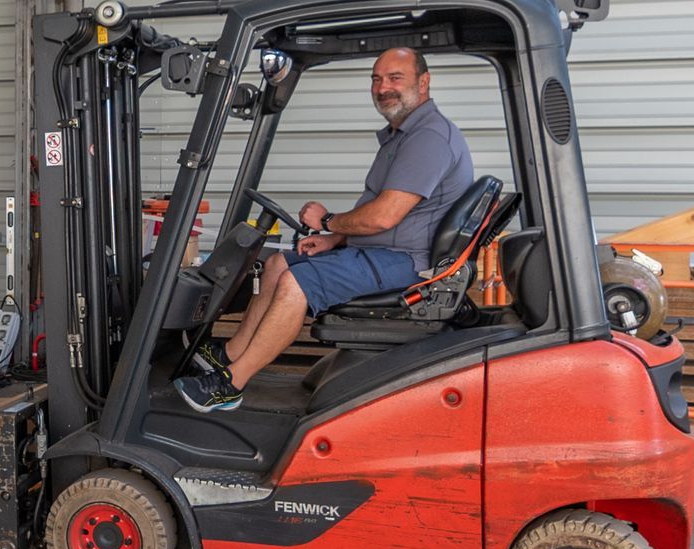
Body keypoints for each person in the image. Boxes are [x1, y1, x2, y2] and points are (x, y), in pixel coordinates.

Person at [174, 46, 474, 413]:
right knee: (278, 265)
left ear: (423, 82)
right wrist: (334, 239)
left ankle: (231, 383)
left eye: (395, 78)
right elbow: (388, 212)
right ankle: (230, 353)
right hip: (385, 252)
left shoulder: (428, 138)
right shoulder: (403, 134)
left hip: (406, 263)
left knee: (295, 283)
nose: (383, 88)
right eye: (377, 79)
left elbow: (383, 217)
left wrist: (329, 220)